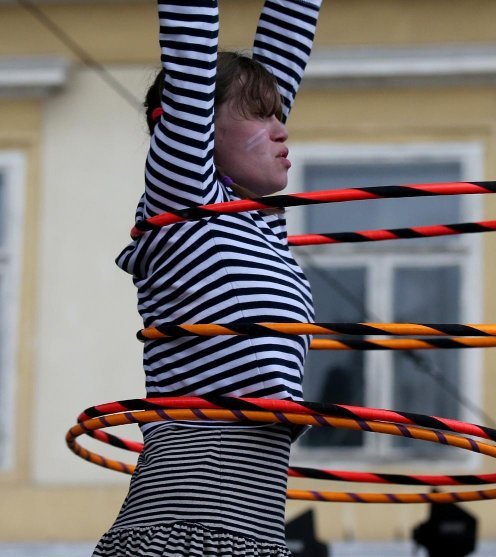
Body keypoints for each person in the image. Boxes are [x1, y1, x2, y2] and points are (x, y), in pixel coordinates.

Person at [93, 1, 322, 555]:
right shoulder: (185, 199)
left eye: (279, 113)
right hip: (186, 525)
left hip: (257, 529)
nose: (282, 131)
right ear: (192, 127)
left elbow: (291, 27)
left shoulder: (259, 223)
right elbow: (192, 54)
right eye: (261, 115)